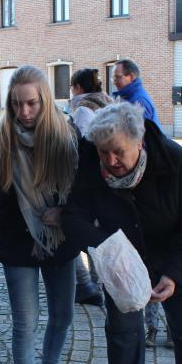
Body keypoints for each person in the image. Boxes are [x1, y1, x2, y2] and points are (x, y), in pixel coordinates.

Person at [63, 102, 182, 364]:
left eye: (118, 152)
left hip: (178, 263)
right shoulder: (91, 163)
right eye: (104, 153)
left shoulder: (175, 161)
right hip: (122, 269)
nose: (110, 162)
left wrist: (173, 274)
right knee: (123, 336)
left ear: (139, 142)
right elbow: (74, 216)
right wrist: (110, 248)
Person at [0, 65, 81, 364]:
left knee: (62, 315)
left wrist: (65, 213)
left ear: (45, 101)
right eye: (16, 105)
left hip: (60, 242)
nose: (24, 113)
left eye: (31, 104)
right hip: (19, 246)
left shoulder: (68, 139)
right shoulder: (2, 146)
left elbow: (87, 194)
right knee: (26, 323)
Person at [110, 59, 168, 346]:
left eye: (118, 76)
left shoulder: (138, 103)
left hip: (144, 192)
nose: (114, 80)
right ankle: (155, 328)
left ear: (131, 76)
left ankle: (157, 329)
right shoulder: (127, 99)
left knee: (150, 266)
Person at [68, 68, 112, 307]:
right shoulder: (107, 103)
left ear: (78, 88)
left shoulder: (83, 109)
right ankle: (96, 284)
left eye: (72, 87)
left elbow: (82, 145)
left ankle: (91, 286)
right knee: (98, 231)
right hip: (105, 180)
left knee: (84, 232)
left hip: (87, 180)